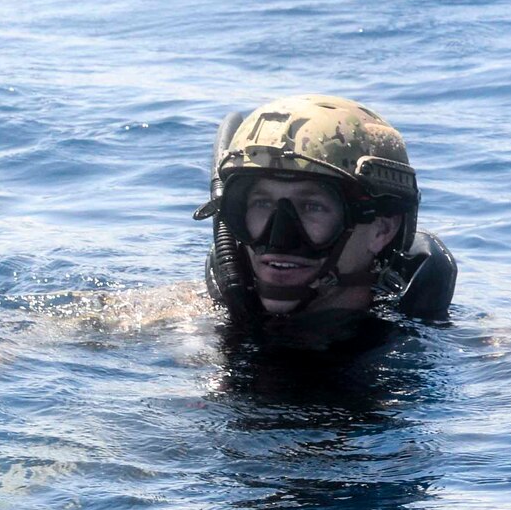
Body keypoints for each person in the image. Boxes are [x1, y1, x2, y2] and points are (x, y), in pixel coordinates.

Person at [194, 94, 457, 344]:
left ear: (382, 230)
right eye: (262, 203)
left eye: (312, 207)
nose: (279, 237)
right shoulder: (190, 323)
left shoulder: (430, 344)